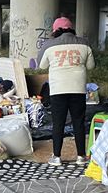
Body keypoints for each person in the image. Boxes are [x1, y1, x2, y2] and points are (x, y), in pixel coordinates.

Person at [38, 16, 95, 166]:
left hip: (58, 90)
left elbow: (42, 66)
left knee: (58, 123)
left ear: (56, 31)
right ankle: (81, 156)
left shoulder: (49, 45)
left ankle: (56, 157)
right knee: (78, 121)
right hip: (78, 89)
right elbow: (90, 66)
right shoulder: (84, 44)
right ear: (71, 29)